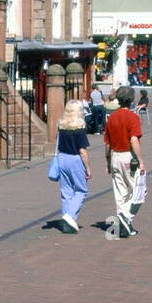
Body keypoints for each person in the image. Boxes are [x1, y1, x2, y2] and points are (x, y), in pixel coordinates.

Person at [103, 86, 146, 238]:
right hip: (129, 156)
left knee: (121, 193)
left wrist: (107, 161)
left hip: (115, 156)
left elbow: (107, 143)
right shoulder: (132, 117)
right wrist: (141, 160)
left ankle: (124, 225)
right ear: (132, 100)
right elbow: (134, 140)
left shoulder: (112, 117)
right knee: (139, 191)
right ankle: (126, 217)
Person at [56, 99, 91, 233]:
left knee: (66, 191)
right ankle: (70, 216)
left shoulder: (61, 125)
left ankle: (67, 222)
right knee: (81, 190)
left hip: (62, 158)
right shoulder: (79, 128)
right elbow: (83, 151)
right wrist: (88, 168)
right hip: (75, 159)